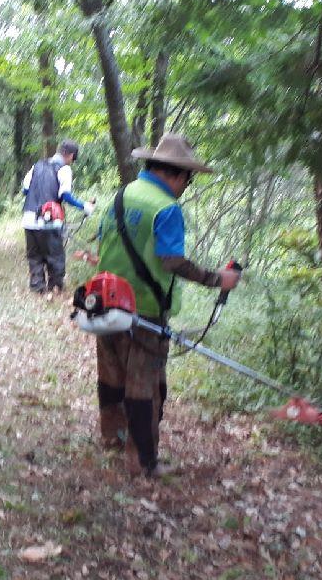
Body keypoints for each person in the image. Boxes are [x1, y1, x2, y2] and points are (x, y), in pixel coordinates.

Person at [94, 135, 239, 480]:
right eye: (188, 180)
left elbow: (104, 243)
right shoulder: (166, 208)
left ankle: (113, 440)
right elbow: (171, 260)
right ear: (176, 175)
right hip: (144, 311)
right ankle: (142, 460)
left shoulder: (121, 196)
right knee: (145, 390)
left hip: (104, 303)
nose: (186, 187)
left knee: (111, 379)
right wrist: (218, 279)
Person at [21, 140, 94, 294]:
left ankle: (38, 288)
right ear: (71, 156)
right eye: (73, 160)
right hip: (49, 221)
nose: (72, 163)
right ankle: (55, 287)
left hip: (28, 219)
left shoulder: (37, 165)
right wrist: (85, 206)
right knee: (55, 256)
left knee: (34, 257)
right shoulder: (64, 169)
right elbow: (65, 195)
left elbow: (25, 190)